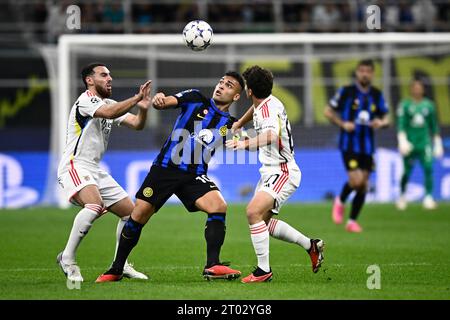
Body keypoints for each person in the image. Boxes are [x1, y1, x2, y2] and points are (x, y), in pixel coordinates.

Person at [95, 72, 245, 282]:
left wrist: (251, 139)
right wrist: (159, 100)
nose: (221, 86)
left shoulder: (230, 123)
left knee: (218, 206)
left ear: (236, 96)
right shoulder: (195, 98)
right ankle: (116, 269)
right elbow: (166, 102)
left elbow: (246, 140)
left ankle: (213, 265)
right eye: (220, 82)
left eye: (228, 85)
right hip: (165, 169)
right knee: (139, 216)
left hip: (194, 175)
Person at [226, 65, 324, 283]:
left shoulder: (268, 110)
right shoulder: (267, 102)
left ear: (249, 91)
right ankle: (311, 245)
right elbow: (255, 111)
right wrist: (240, 123)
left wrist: (244, 143)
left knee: (252, 212)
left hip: (282, 171)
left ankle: (263, 271)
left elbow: (270, 135)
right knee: (262, 222)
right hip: (271, 171)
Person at [56, 62, 152, 282]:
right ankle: (67, 258)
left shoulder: (108, 102)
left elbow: (137, 124)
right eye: (103, 75)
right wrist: (136, 98)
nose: (109, 78)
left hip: (94, 169)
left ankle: (121, 264)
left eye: (110, 75)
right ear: (89, 80)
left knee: (132, 214)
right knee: (94, 205)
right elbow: (108, 113)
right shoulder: (86, 100)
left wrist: (143, 109)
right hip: (75, 164)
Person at [324, 59, 389, 233]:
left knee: (364, 185)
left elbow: (387, 118)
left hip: (368, 146)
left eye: (368, 71)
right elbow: (328, 111)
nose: (365, 74)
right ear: (357, 72)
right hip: (349, 144)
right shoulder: (346, 91)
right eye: (362, 70)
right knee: (356, 181)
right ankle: (340, 200)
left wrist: (380, 123)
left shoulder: (376, 94)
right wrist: (342, 123)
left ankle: (352, 221)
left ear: (372, 73)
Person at [396, 78, 444, 210]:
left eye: (419, 87)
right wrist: (402, 141)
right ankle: (402, 196)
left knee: (428, 168)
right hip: (410, 144)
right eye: (415, 87)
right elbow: (401, 125)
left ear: (423, 89)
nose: (417, 90)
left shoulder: (429, 105)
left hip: (424, 143)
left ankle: (428, 197)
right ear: (411, 89)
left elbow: (434, 126)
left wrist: (438, 143)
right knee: (406, 172)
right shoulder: (405, 105)